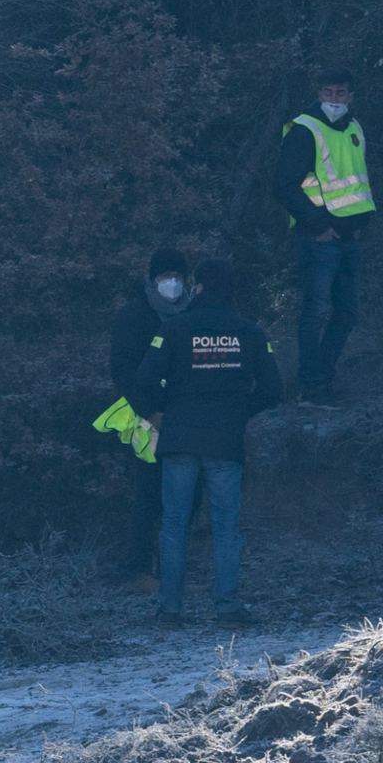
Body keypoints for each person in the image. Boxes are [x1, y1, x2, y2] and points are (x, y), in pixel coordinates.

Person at [154, 254, 281, 622]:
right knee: (226, 527)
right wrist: (241, 411)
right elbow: (273, 389)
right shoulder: (249, 332)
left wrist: (165, 408)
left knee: (174, 524)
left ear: (198, 287)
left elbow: (146, 379)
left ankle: (170, 609)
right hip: (225, 440)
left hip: (179, 438)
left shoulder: (174, 329)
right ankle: (227, 607)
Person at [277, 70, 378, 398]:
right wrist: (318, 226)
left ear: (351, 96)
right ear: (319, 93)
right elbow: (284, 186)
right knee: (316, 311)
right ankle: (311, 386)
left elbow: (356, 181)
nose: (334, 99)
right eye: (328, 92)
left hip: (349, 237)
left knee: (346, 314)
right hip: (318, 238)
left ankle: (321, 378)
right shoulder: (304, 130)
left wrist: (359, 224)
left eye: (341, 93)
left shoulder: (354, 128)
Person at [106, 248, 189, 586]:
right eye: (166, 277)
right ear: (153, 280)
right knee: (148, 493)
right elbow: (123, 369)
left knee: (187, 493)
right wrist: (149, 411)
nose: (173, 283)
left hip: (185, 416)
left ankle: (171, 564)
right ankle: (139, 565)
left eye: (178, 277)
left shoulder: (190, 313)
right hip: (147, 419)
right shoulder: (134, 316)